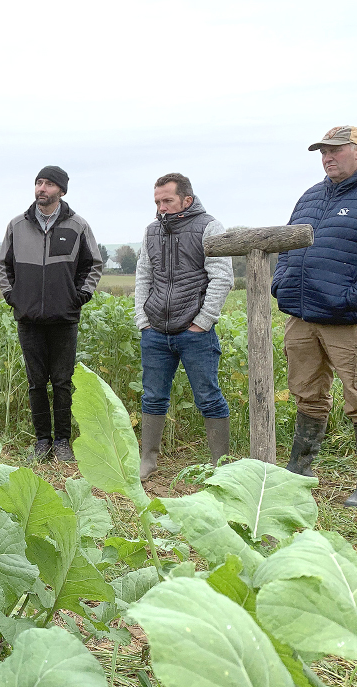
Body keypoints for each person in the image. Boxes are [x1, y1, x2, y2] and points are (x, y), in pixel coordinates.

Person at [273, 126, 357, 510]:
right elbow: (286, 243)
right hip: (302, 316)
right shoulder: (311, 196)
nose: (327, 157)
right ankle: (300, 470)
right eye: (322, 152)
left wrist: (354, 297)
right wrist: (281, 282)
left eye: (335, 150)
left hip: (352, 321)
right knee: (307, 394)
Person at [0, 166, 103, 462]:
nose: (42, 188)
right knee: (35, 382)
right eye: (38, 183)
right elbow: (3, 265)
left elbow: (92, 265)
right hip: (28, 318)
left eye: (49, 184)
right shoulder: (17, 225)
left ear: (62, 191)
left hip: (64, 318)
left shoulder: (78, 225)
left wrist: (79, 296)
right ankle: (42, 441)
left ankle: (63, 441)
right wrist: (12, 296)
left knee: (62, 381)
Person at [134, 173, 234, 480]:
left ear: (186, 200)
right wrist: (143, 321)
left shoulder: (209, 227)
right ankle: (148, 459)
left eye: (168, 200)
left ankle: (221, 465)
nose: (161, 207)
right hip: (155, 332)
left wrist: (202, 323)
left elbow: (222, 277)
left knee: (208, 396)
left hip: (194, 332)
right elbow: (143, 277)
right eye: (157, 201)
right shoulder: (152, 231)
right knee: (152, 397)